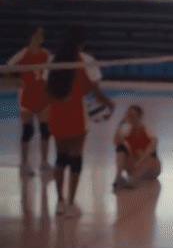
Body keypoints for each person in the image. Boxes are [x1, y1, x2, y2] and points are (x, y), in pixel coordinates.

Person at [45, 25, 114, 218]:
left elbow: (47, 90)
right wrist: (110, 105)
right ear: (83, 42)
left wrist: (59, 101)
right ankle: (71, 203)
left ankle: (59, 202)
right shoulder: (87, 61)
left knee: (61, 158)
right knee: (76, 159)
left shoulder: (52, 60)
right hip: (76, 114)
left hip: (57, 114)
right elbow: (97, 93)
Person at [5, 26, 52, 176]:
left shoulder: (46, 54)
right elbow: (7, 68)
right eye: (37, 35)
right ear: (31, 36)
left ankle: (44, 162)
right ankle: (24, 163)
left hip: (43, 96)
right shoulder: (23, 54)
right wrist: (16, 80)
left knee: (45, 130)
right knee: (28, 131)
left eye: (42, 35)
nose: (40, 38)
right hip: (27, 96)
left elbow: (53, 70)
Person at [112, 105, 161, 191]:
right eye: (129, 115)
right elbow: (116, 142)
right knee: (121, 148)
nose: (131, 118)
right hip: (136, 165)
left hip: (149, 165)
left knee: (149, 156)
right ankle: (119, 176)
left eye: (133, 115)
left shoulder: (149, 131)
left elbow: (150, 151)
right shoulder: (128, 131)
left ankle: (133, 180)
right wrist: (120, 124)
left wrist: (137, 164)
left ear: (139, 116)